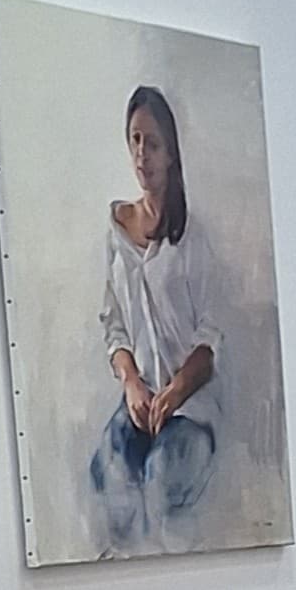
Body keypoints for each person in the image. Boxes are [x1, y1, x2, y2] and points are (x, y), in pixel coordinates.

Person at [90, 85, 221, 549]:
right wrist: (131, 383)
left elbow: (210, 336)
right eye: (135, 139)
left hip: (191, 408)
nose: (142, 154)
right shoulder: (116, 228)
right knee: (106, 470)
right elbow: (113, 325)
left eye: (153, 143)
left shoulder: (192, 236)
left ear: (171, 154)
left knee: (158, 480)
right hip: (141, 401)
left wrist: (176, 391)